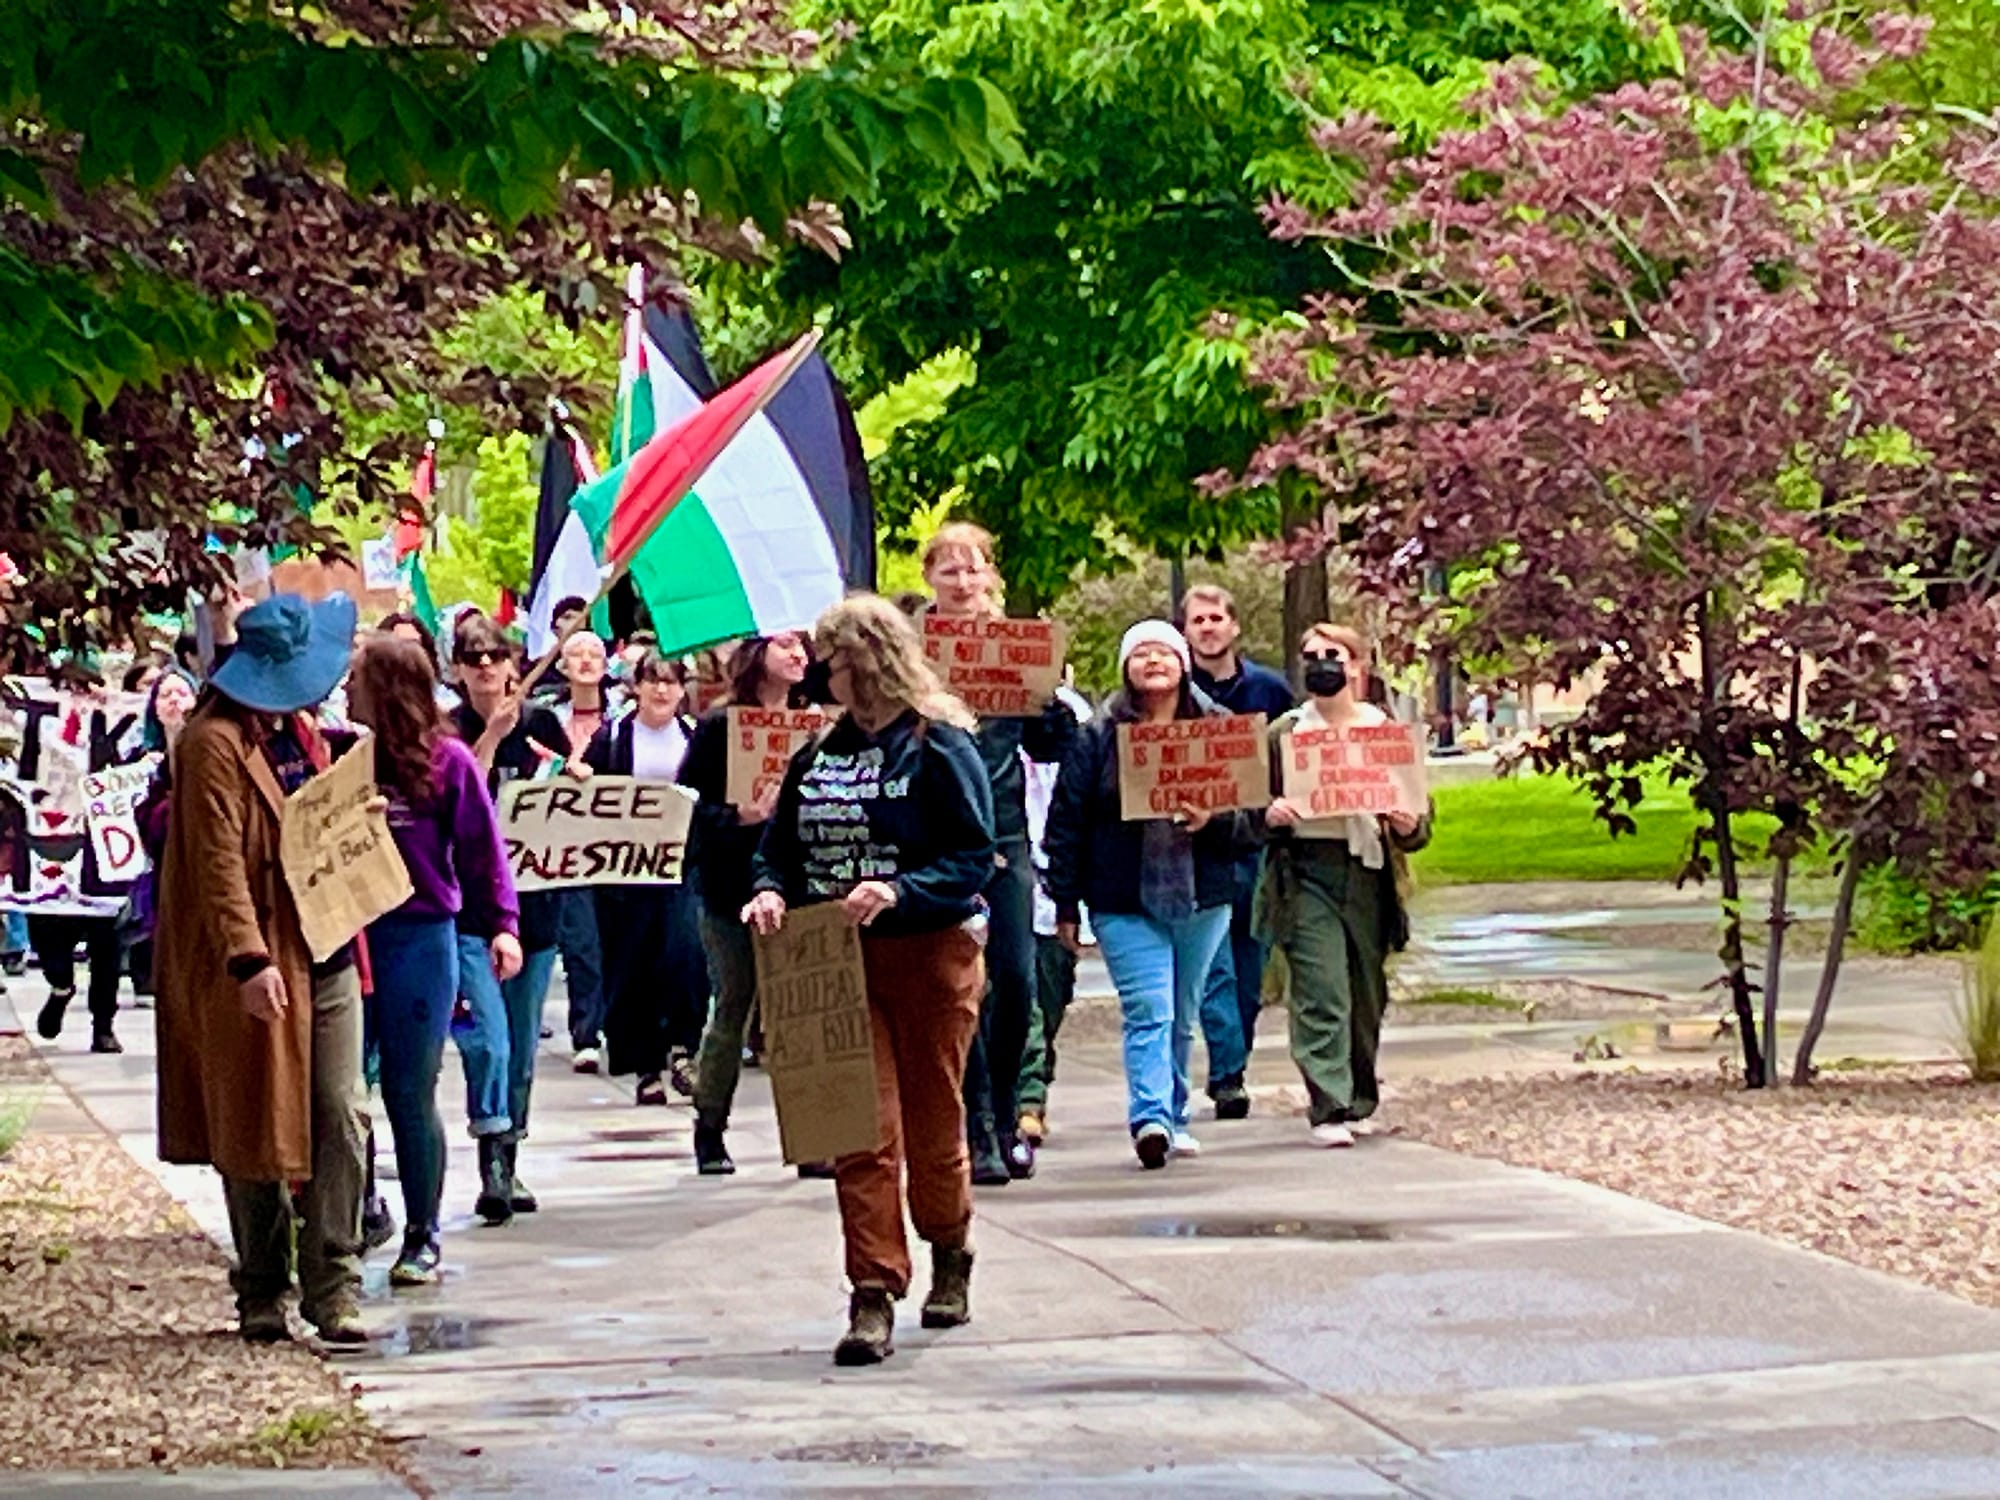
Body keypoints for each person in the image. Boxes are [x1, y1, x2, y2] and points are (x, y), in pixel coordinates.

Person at [746, 594, 995, 1366]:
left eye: (833, 662)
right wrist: (769, 891)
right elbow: (777, 850)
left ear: (868, 661)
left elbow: (973, 856)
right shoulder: (817, 757)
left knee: (932, 1119)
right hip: (835, 957)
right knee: (858, 1128)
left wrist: (900, 890)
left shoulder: (939, 745)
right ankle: (873, 1289)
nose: (822, 677)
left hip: (929, 954)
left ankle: (949, 1247)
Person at [154, 592, 371, 1343]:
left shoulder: (305, 733)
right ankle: (262, 1285)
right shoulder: (210, 744)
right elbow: (217, 863)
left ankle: (335, 1282)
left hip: (327, 947)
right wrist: (247, 959)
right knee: (255, 1116)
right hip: (258, 955)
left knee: (341, 1112)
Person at [1044, 621, 1252, 1170]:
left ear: (1183, 664)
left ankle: (1175, 1112)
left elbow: (1252, 822)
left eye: (1164, 652)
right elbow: (1067, 821)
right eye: (1141, 654)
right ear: (1125, 668)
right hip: (1122, 898)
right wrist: (1065, 902)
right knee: (1149, 1009)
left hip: (1202, 896)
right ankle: (1150, 1118)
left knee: (1182, 1011)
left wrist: (1212, 821)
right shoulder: (1096, 737)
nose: (1153, 661)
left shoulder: (1219, 729)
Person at [349, 633, 522, 1283]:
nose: (348, 689)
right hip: (351, 937)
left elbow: (483, 852)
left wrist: (502, 926)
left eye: (358, 678)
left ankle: (423, 1231)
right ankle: (362, 1206)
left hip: (421, 938)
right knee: (345, 1091)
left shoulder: (450, 761)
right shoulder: (345, 761)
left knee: (409, 1088)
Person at [920, 523, 1075, 1182]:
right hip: (932, 833)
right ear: (929, 578)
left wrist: (1050, 710)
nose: (961, 582)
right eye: (949, 570)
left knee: (1015, 977)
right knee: (956, 986)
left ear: (990, 577)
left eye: (972, 569)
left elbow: (1048, 746)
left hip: (1003, 834)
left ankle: (1011, 1107)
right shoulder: (912, 649)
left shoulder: (1015, 650)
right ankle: (976, 1122)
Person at [1261, 625, 1430, 1147]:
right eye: (1310, 656)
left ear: (1357, 665)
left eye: (1332, 655)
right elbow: (1250, 805)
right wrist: (1270, 814)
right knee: (1322, 987)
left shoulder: (1385, 734)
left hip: (1369, 871)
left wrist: (1406, 824)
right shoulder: (1286, 733)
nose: (1321, 664)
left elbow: (1420, 821)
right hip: (1306, 870)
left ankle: (1359, 1096)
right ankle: (1328, 1103)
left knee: (1364, 991)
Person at [675, 631, 815, 1174]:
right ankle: (710, 1126)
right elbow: (685, 806)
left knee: (803, 1011)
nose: (799, 654)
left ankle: (813, 1134)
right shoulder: (719, 726)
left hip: (800, 885)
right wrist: (739, 816)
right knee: (734, 1004)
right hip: (729, 886)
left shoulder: (816, 725)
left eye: (803, 645)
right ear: (758, 654)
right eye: (786, 644)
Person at [448, 614, 566, 1219]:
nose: (485, 667)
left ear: (513, 664)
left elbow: (570, 802)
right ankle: (490, 1153)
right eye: (473, 659)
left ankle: (509, 1158)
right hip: (472, 912)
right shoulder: (450, 731)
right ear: (458, 670)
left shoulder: (542, 724)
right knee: (487, 1040)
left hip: (535, 906)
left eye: (494, 656)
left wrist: (577, 775)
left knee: (519, 1049)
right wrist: (491, 738)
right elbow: (457, 793)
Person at [1179, 584, 1297, 1118]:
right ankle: (1227, 1076)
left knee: (1250, 966)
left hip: (1253, 843)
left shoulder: (1270, 690)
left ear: (1234, 626)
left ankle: (1235, 1059)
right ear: (1186, 631)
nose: (1208, 628)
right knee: (1215, 966)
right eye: (1198, 620)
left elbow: (1296, 757)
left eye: (1215, 619)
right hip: (1196, 846)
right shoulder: (1174, 695)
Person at [583, 650, 707, 1106]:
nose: (661, 689)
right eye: (653, 680)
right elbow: (589, 788)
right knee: (632, 963)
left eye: (671, 681)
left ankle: (683, 1047)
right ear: (636, 686)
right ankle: (645, 1066)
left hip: (680, 866)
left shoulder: (693, 736)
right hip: (626, 872)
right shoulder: (613, 736)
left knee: (685, 953)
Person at [1015, 679, 1092, 1147]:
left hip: (1057, 883)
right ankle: (1027, 1098)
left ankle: (1035, 1077)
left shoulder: (1075, 721)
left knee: (1050, 991)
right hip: (1004, 876)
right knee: (1016, 992)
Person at [547, 629, 613, 1068]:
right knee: (581, 943)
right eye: (577, 654)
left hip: (620, 846)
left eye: (595, 654)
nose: (586, 661)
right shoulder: (549, 720)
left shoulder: (624, 719)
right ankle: (586, 1032)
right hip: (569, 849)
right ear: (562, 666)